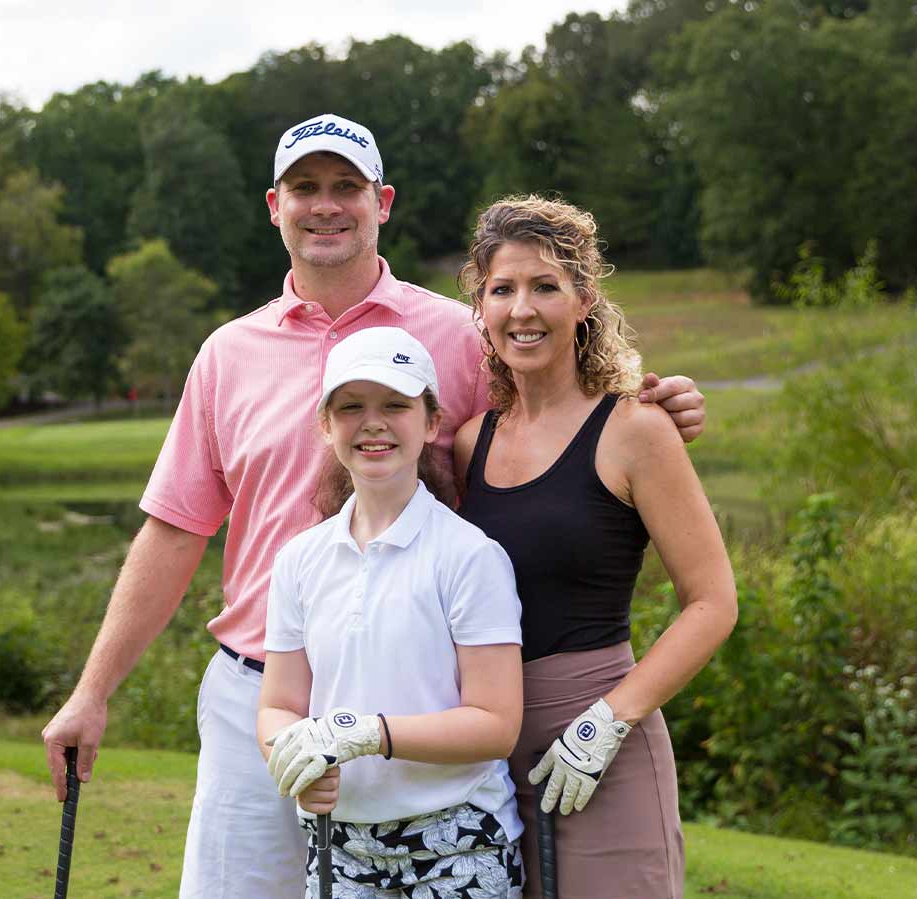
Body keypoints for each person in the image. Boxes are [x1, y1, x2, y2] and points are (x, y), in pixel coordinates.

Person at [39, 113, 707, 899]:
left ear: (381, 201)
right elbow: (175, 530)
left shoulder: (463, 334)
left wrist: (656, 397)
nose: (326, 205)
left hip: (417, 702)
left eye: (346, 187)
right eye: (305, 188)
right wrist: (93, 690)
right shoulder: (227, 353)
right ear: (274, 205)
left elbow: (557, 403)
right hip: (260, 693)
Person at [454, 197, 738, 898]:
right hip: (487, 752)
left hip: (599, 744)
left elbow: (713, 601)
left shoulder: (636, 428)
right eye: (503, 289)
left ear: (583, 300)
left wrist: (611, 719)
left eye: (545, 286)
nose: (524, 308)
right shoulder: (468, 443)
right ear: (481, 308)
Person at [258, 326, 525, 898]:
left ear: (431, 423)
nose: (372, 422)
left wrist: (371, 735)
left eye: (395, 405)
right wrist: (296, 758)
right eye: (351, 407)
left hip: (459, 844)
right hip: (340, 848)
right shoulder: (299, 560)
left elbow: (496, 724)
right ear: (326, 426)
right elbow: (279, 706)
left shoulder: (470, 556)